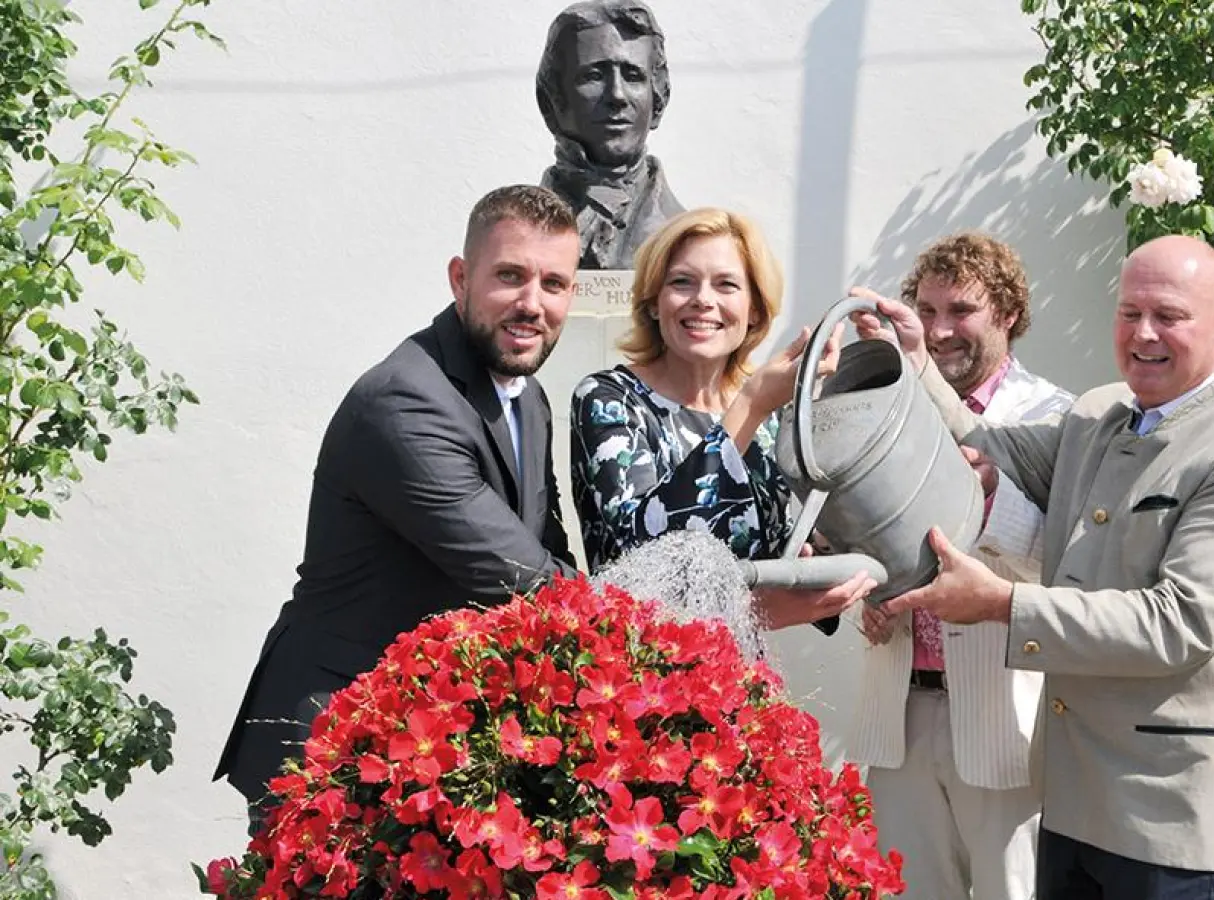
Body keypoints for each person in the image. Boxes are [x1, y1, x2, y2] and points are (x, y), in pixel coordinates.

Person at [852, 234, 1214, 900]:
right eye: (1130, 313)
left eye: (1168, 315)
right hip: (1073, 809)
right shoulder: (1100, 416)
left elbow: (1177, 624)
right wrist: (917, 360)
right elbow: (980, 444)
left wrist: (999, 604)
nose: (1144, 333)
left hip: (1172, 821)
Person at [214, 185, 583, 825]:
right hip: (332, 743)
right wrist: (634, 627)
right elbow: (517, 575)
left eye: (553, 283)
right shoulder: (407, 403)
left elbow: (548, 544)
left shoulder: (526, 396)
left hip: (423, 742)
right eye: (510, 276)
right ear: (460, 279)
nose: (532, 303)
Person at [848, 233, 1072, 900]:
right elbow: (868, 530)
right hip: (899, 712)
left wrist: (991, 498)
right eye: (928, 310)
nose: (941, 330)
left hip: (1007, 723)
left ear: (1008, 313)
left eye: (962, 311)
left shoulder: (1054, 416)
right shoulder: (892, 404)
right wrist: (868, 592)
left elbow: (1064, 564)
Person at [570, 206, 873, 632]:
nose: (703, 300)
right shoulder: (609, 400)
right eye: (682, 282)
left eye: (726, 284)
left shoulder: (770, 416)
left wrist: (827, 543)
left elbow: (781, 552)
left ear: (754, 310)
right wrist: (750, 405)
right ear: (654, 302)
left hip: (742, 668)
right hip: (640, 667)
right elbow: (644, 552)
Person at [536, 0, 684, 269]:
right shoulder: (517, 235)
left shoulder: (684, 237)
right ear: (550, 101)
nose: (617, 95)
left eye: (633, 76)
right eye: (593, 76)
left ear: (659, 101)